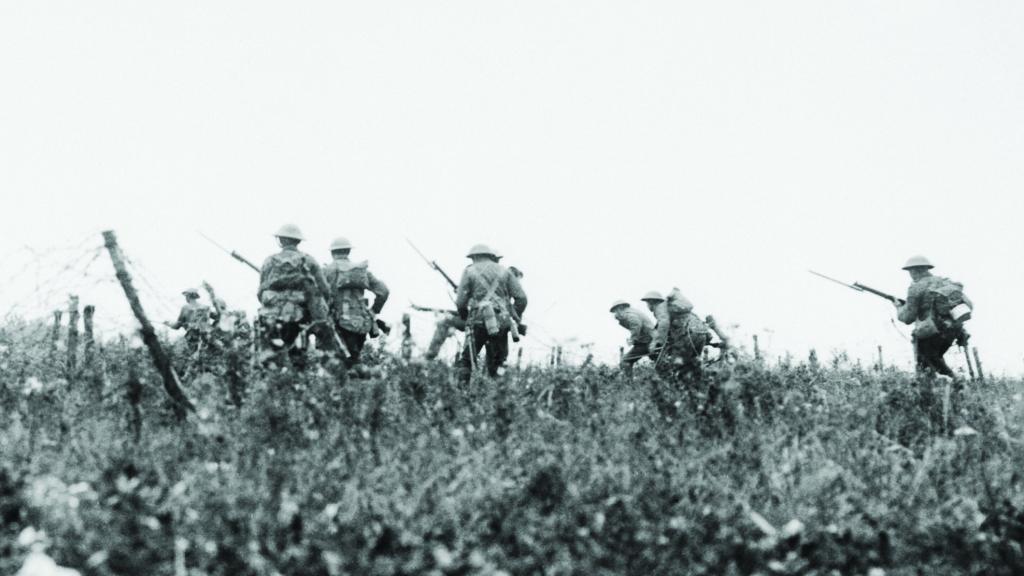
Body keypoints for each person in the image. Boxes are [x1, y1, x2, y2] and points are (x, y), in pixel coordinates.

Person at [257, 224, 334, 369]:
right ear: (298, 241)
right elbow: (325, 290)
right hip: (298, 316)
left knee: (270, 358)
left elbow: (261, 291)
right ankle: (297, 384)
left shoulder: (269, 261)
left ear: (281, 240)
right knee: (298, 357)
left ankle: (271, 386)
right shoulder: (309, 261)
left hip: (270, 315)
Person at [454, 244, 527, 382]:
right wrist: (513, 317)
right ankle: (498, 396)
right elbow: (522, 299)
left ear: (474, 257)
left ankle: (462, 396)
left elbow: (460, 302)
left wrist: (465, 316)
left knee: (467, 361)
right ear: (491, 256)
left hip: (477, 322)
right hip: (501, 323)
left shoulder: (469, 271)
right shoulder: (505, 271)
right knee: (499, 363)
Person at [895, 256, 972, 377]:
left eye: (911, 271)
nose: (911, 274)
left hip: (931, 331)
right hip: (953, 330)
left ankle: (956, 382)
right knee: (934, 360)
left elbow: (908, 318)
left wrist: (899, 307)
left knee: (925, 365)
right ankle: (950, 386)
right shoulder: (944, 282)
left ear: (915, 271)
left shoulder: (916, 287)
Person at [323, 236, 389, 370]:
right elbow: (384, 291)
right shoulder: (361, 270)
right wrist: (373, 311)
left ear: (332, 252)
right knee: (354, 358)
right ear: (348, 251)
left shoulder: (327, 270)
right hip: (362, 323)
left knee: (336, 364)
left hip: (338, 324)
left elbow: (318, 296)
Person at [642, 288, 710, 383]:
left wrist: (657, 342)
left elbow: (664, 324)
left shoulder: (660, 307)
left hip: (689, 334)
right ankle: (702, 385)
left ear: (652, 302)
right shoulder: (676, 309)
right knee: (694, 363)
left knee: (675, 364)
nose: (647, 306)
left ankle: (676, 389)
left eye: (647, 303)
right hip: (701, 334)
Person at [610, 300, 655, 379]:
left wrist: (633, 339)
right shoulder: (632, 312)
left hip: (647, 341)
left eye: (616, 311)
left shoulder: (630, 315)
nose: (615, 314)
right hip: (649, 340)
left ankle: (629, 384)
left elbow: (636, 324)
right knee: (657, 359)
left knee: (625, 361)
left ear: (620, 308)